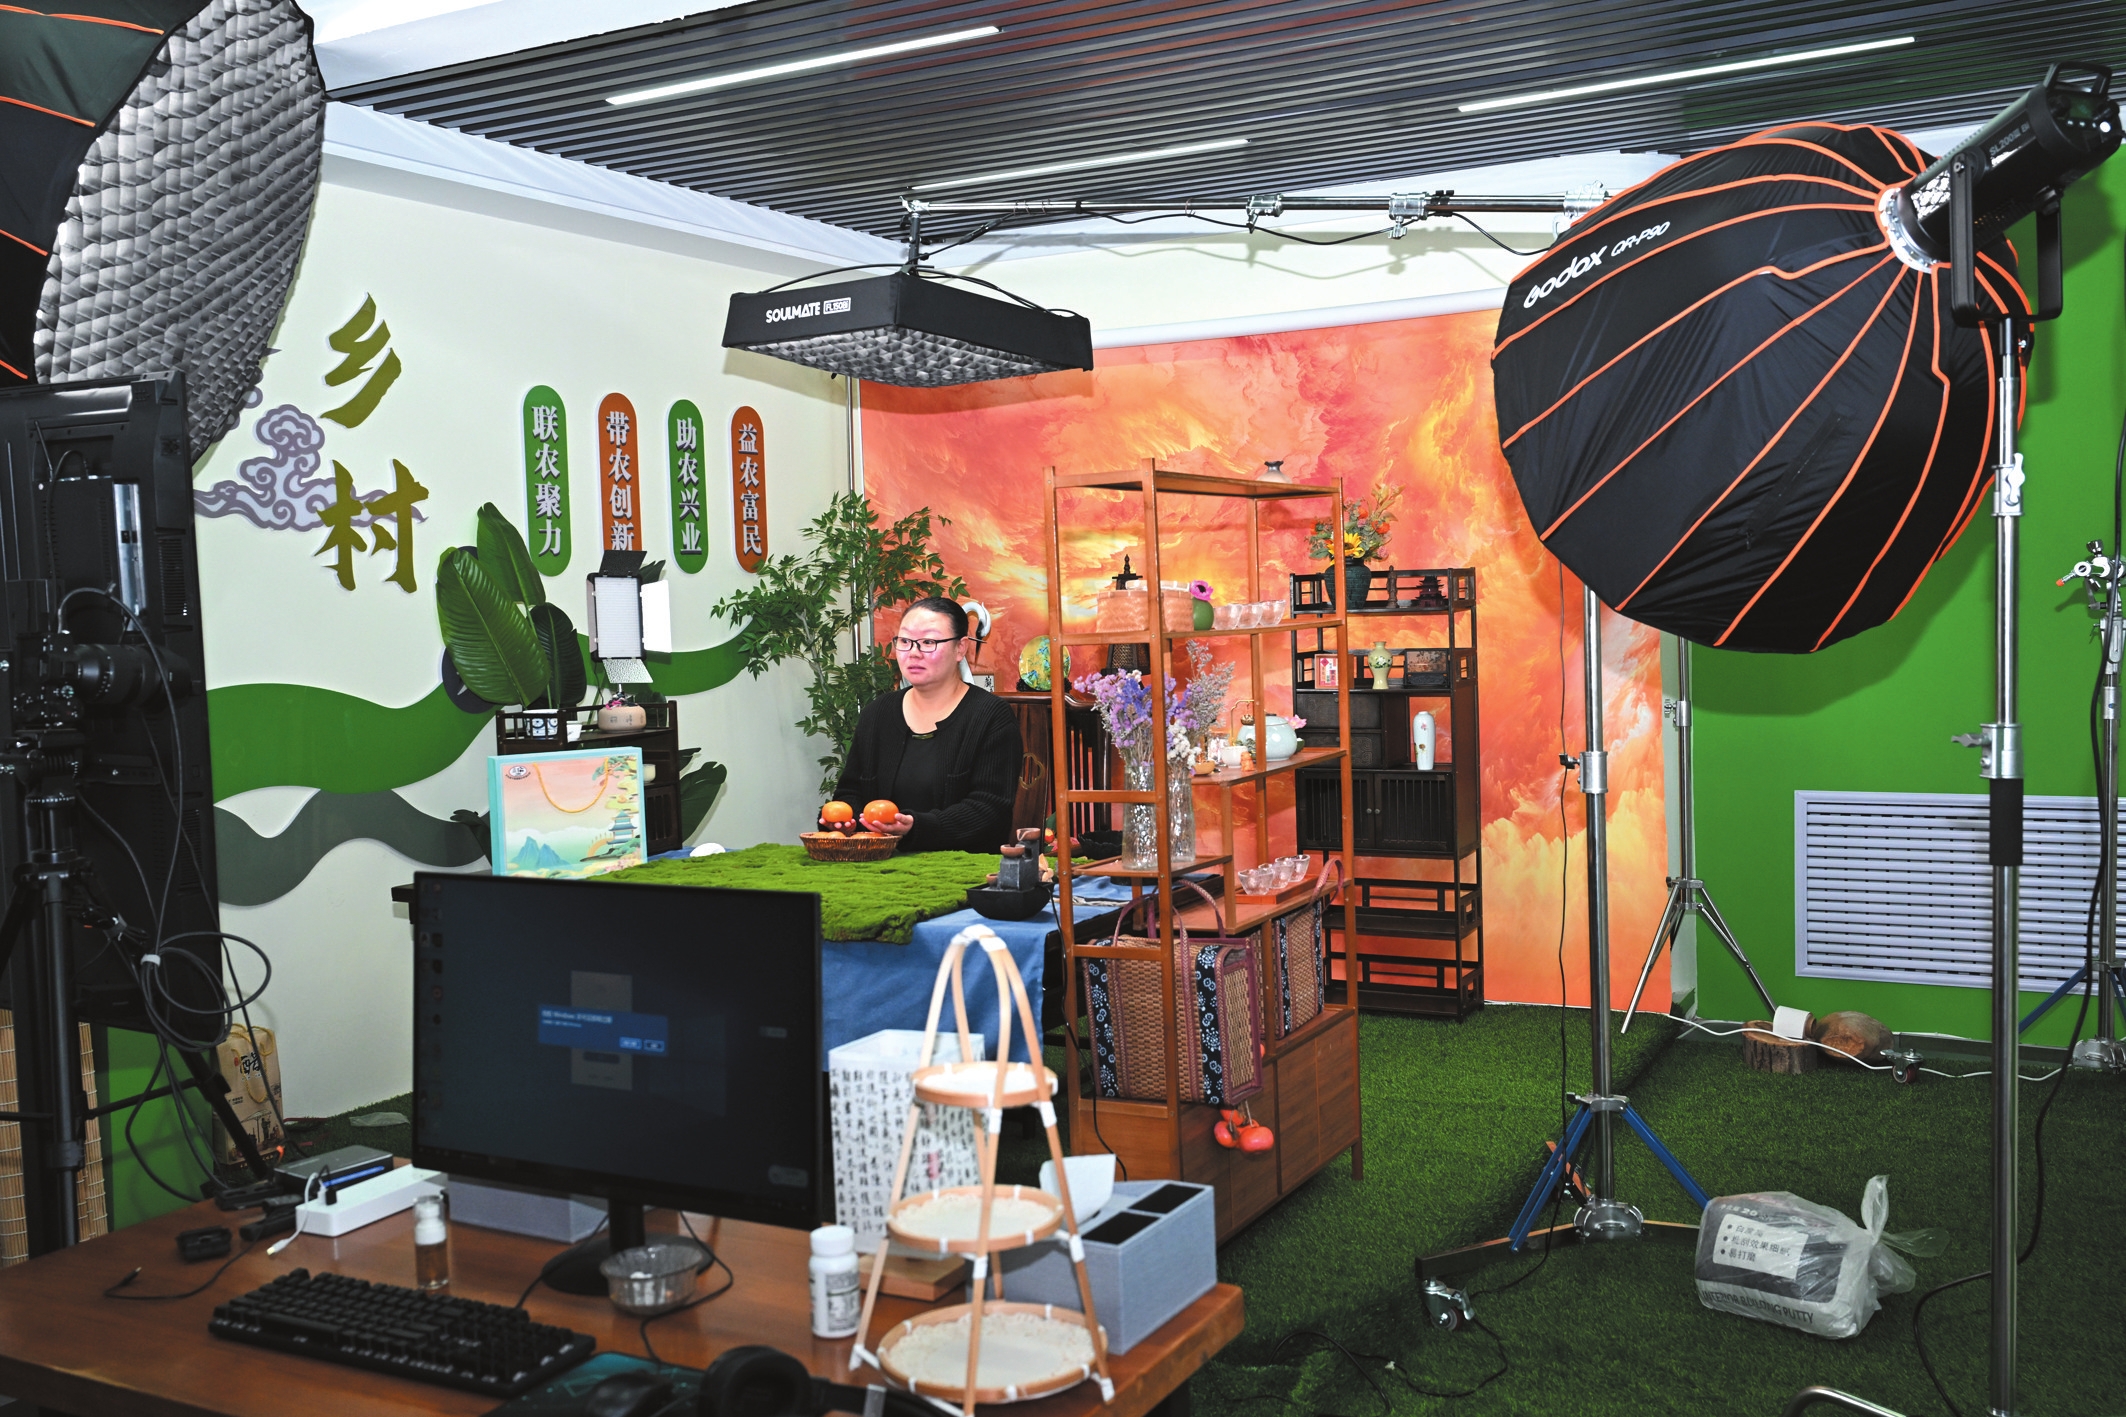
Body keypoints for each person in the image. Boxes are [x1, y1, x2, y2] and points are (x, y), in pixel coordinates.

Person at [824, 597, 1021, 854]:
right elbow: (850, 791)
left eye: (928, 642)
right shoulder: (878, 713)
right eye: (905, 641)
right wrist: (843, 820)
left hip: (964, 866)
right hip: (879, 862)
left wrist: (916, 827)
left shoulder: (990, 716)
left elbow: (989, 809)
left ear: (960, 648)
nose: (913, 653)